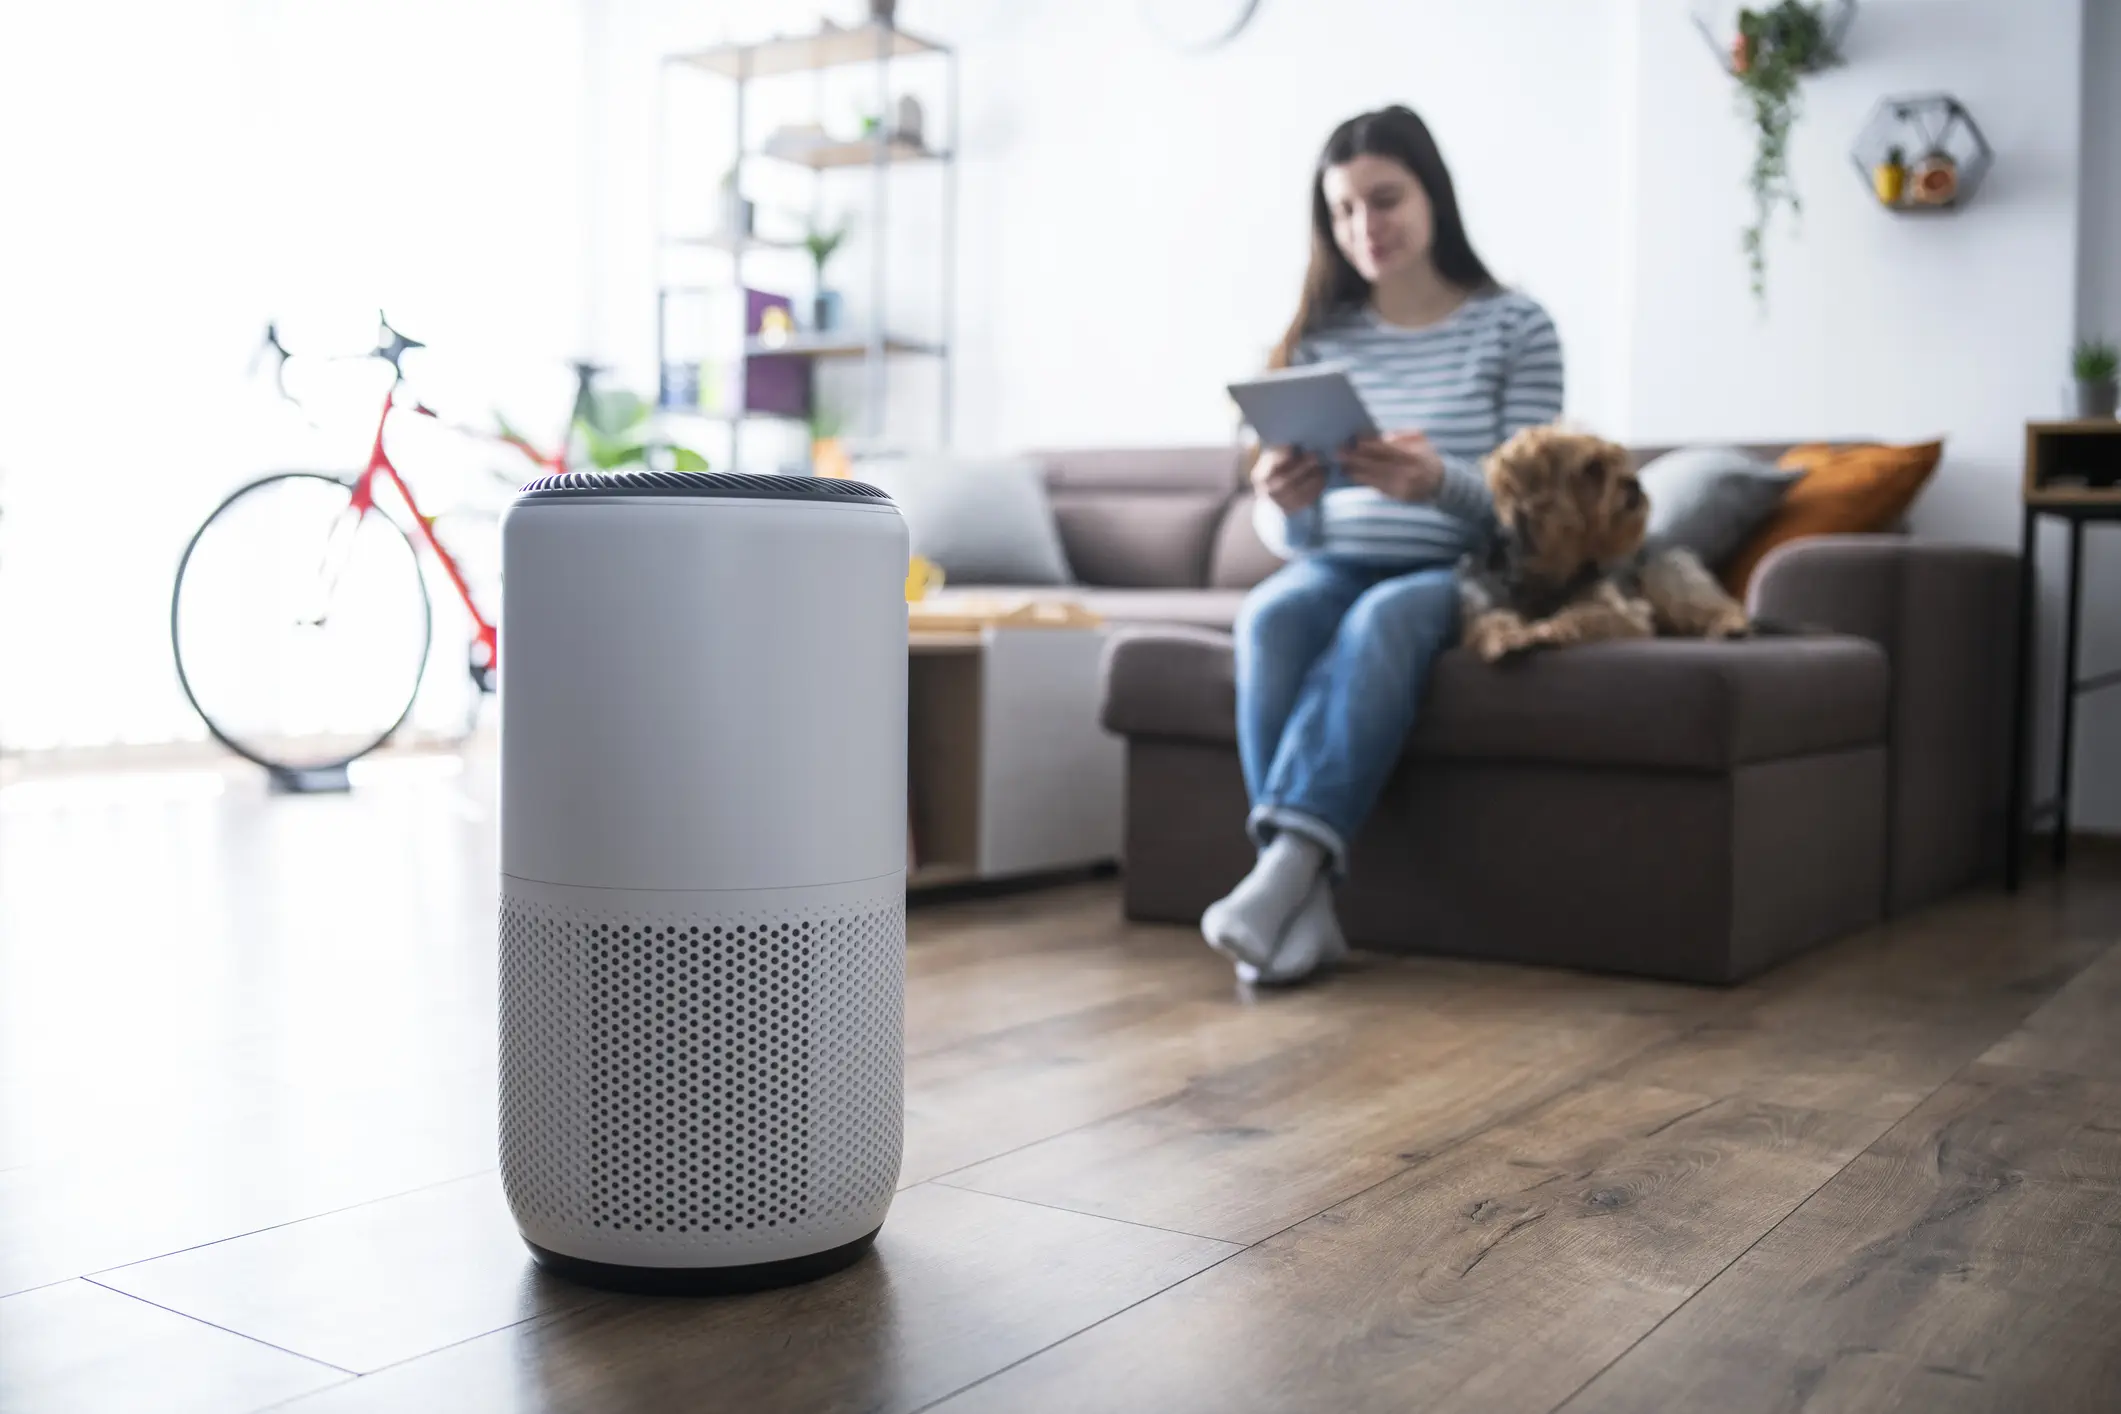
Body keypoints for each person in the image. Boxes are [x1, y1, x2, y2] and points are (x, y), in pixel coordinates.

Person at [1204, 104, 1565, 985]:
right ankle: (1310, 909)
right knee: (1270, 617)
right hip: (1333, 559)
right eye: (1342, 210)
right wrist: (1282, 504)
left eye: (1385, 199)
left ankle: (1283, 872)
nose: (1365, 226)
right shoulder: (1318, 337)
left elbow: (1539, 520)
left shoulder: (1515, 327)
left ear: (1432, 195)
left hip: (1462, 569)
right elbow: (1296, 537)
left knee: (1382, 619)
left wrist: (1437, 483)